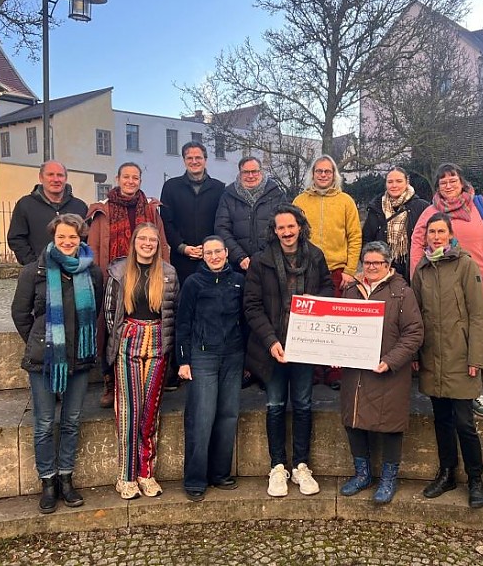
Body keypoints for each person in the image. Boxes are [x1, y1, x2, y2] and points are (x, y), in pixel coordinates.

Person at [10, 213, 103, 514]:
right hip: (45, 358)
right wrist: (42, 341)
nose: (67, 241)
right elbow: (20, 313)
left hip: (79, 357)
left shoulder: (92, 271)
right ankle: (48, 481)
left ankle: (66, 477)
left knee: (72, 421)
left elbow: (96, 310)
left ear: (81, 238)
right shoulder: (34, 271)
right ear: (53, 237)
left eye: (72, 237)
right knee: (44, 423)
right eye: (62, 236)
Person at [243, 203, 335, 497]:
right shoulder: (261, 261)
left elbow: (328, 290)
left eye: (291, 226)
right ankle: (277, 466)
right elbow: (252, 305)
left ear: (300, 227)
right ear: (274, 231)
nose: (286, 232)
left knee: (304, 404)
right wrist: (271, 341)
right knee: (275, 405)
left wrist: (313, 302)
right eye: (280, 227)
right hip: (274, 345)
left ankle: (301, 465)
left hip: (305, 344)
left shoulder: (315, 256)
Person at [410, 163, 483, 418]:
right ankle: (446, 389)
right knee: (447, 341)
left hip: (479, 284)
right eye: (443, 181)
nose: (448, 184)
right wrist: (418, 276)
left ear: (461, 181)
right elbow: (417, 242)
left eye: (452, 179)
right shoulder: (430, 211)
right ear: (437, 186)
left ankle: (474, 392)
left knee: (475, 336)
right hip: (442, 290)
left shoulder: (482, 205)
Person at [412, 213, 483, 508]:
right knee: (442, 420)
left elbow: (478, 315)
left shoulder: (465, 264)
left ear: (450, 234)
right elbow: (416, 317)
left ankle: (475, 478)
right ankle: (447, 474)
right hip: (432, 357)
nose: (436, 237)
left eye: (441, 231)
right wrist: (416, 354)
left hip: (460, 356)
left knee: (464, 423)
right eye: (432, 232)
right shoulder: (422, 269)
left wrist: (475, 358)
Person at [338, 241, 423, 504]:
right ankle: (362, 474)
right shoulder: (351, 290)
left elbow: (414, 333)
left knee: (390, 425)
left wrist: (390, 360)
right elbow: (339, 326)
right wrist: (334, 353)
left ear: (388, 265)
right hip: (356, 370)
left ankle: (388, 478)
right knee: (353, 419)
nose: (372, 267)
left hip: (389, 370)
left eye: (377, 263)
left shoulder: (402, 292)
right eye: (367, 262)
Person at [104, 223, 178, 500]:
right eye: (142, 239)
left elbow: (173, 310)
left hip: (158, 341)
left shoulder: (168, 273)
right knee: (128, 411)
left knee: (149, 411)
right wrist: (121, 336)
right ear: (134, 242)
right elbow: (110, 312)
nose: (147, 243)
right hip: (128, 340)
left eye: (152, 240)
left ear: (158, 245)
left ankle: (146, 472)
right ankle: (125, 476)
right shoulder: (119, 271)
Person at [87, 162, 169, 408]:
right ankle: (110, 380)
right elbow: (93, 247)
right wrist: (98, 278)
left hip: (147, 275)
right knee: (110, 327)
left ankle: (145, 378)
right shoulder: (103, 210)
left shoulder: (151, 209)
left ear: (140, 181)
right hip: (113, 276)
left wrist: (165, 274)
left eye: (135, 177)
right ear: (118, 179)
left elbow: (162, 243)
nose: (130, 181)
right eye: (126, 177)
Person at [175, 236, 246, 501]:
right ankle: (195, 479)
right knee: (201, 417)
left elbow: (245, 319)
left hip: (233, 355)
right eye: (209, 253)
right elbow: (183, 322)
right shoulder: (193, 283)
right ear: (202, 256)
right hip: (202, 356)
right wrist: (183, 360)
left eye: (218, 251)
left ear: (226, 253)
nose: (214, 256)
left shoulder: (238, 281)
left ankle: (220, 473)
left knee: (228, 415)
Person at [160, 142, 225, 388]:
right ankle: (178, 365)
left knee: (211, 309)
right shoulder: (171, 187)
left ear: (205, 159)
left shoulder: (219, 188)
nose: (195, 161)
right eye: (190, 158)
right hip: (182, 260)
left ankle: (210, 363)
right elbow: (167, 223)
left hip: (212, 261)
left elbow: (221, 221)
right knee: (181, 312)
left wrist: (210, 250)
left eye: (199, 157)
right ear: (184, 160)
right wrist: (182, 247)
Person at [293, 155, 361, 389]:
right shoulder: (300, 201)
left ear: (334, 175)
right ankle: (311, 371)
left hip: (337, 270)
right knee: (310, 320)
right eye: (319, 171)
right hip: (306, 268)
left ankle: (335, 372)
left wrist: (350, 270)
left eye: (328, 171)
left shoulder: (345, 201)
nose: (323, 175)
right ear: (312, 174)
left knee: (335, 321)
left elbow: (355, 236)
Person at [215, 155, 287, 273]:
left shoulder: (276, 195)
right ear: (240, 173)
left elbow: (284, 227)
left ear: (261, 172)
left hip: (271, 263)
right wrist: (240, 256)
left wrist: (266, 255)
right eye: (246, 172)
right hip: (238, 266)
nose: (250, 176)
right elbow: (221, 229)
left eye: (254, 171)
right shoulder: (228, 196)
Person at [7, 161, 88, 265]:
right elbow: (16, 238)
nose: (56, 179)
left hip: (74, 269)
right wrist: (33, 263)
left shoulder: (80, 206)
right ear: (41, 178)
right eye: (50, 175)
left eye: (60, 175)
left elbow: (87, 238)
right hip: (39, 270)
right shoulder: (25, 205)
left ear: (66, 178)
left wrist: (80, 262)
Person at [361, 166, 429, 283]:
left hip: (413, 271)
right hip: (383, 271)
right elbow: (367, 239)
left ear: (407, 182)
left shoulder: (422, 207)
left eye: (399, 181)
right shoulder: (376, 207)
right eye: (390, 182)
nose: (394, 185)